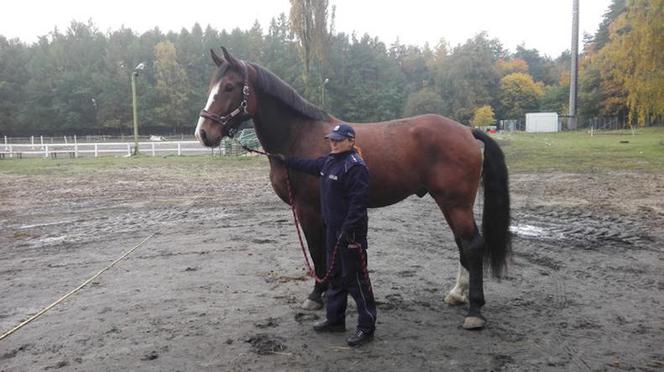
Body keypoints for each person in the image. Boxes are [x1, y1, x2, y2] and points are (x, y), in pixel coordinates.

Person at [272, 123, 377, 347]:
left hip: (350, 235)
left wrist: (347, 232)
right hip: (331, 230)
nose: (334, 143)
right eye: (331, 140)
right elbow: (308, 164)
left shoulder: (355, 167)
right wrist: (284, 159)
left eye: (338, 140)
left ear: (351, 141)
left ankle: (366, 327)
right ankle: (335, 319)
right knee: (335, 278)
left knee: (357, 281)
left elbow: (358, 205)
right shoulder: (329, 161)